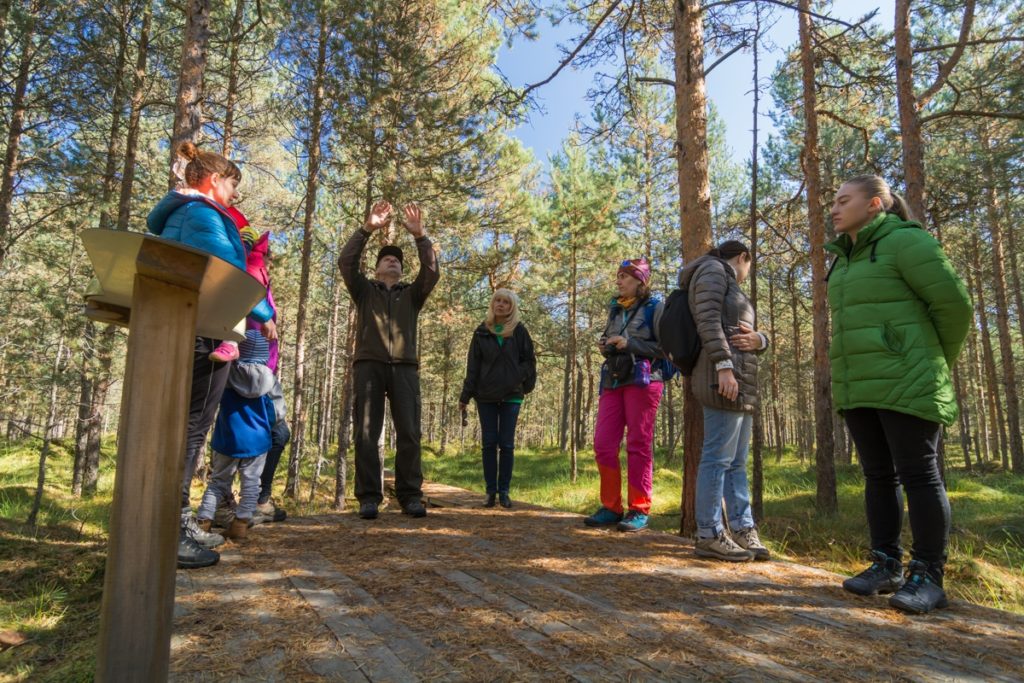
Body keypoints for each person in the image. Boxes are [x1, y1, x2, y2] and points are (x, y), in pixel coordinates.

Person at [826, 175, 971, 614]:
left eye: (843, 200)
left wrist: (926, 360)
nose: (833, 208)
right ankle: (885, 563)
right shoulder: (845, 258)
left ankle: (928, 574)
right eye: (833, 201)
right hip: (860, 381)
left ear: (874, 204)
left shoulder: (907, 242)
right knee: (877, 474)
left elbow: (955, 305)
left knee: (919, 473)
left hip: (908, 377)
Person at [146, 142, 277, 568]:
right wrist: (263, 312)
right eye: (233, 184)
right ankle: (172, 528)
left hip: (191, 325)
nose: (235, 194)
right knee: (191, 429)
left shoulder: (187, 213)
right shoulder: (201, 214)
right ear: (213, 180)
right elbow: (225, 272)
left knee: (187, 428)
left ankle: (173, 521)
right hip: (205, 331)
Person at [338, 200, 440, 520]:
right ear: (378, 268)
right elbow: (345, 262)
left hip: (405, 368)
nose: (393, 261)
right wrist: (367, 228)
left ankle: (410, 496)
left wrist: (420, 236)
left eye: (397, 259)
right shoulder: (364, 290)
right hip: (369, 365)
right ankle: (369, 497)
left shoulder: (413, 294)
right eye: (387, 259)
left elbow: (432, 272)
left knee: (409, 431)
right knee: (367, 432)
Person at [680, 240, 770, 562]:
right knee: (717, 458)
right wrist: (723, 365)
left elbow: (741, 330)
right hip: (723, 377)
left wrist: (761, 339)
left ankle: (743, 529)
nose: (747, 274)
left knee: (736, 462)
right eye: (750, 266)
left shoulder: (725, 277)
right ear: (744, 257)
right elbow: (707, 320)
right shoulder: (713, 271)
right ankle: (709, 533)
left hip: (740, 381)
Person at [584, 259, 666, 533]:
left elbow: (666, 348)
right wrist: (606, 345)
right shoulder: (615, 308)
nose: (619, 281)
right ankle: (611, 507)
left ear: (640, 281)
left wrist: (629, 343)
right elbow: (612, 338)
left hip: (643, 381)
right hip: (613, 380)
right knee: (604, 444)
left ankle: (639, 508)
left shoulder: (655, 307)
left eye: (625, 277)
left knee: (638, 444)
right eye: (617, 276)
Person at [458, 289, 537, 508]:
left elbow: (529, 361)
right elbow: (473, 366)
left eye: (505, 302)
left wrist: (519, 382)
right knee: (489, 444)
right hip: (486, 395)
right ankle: (490, 492)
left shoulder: (519, 331)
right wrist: (466, 395)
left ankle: (504, 492)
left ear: (512, 306)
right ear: (492, 304)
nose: (500, 305)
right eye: (497, 301)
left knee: (507, 444)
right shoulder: (482, 331)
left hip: (512, 395)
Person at [196, 331, 276, 540]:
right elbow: (274, 413)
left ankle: (203, 522)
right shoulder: (269, 379)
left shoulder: (228, 374)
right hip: (258, 440)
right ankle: (241, 524)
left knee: (218, 483)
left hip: (228, 438)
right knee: (252, 484)